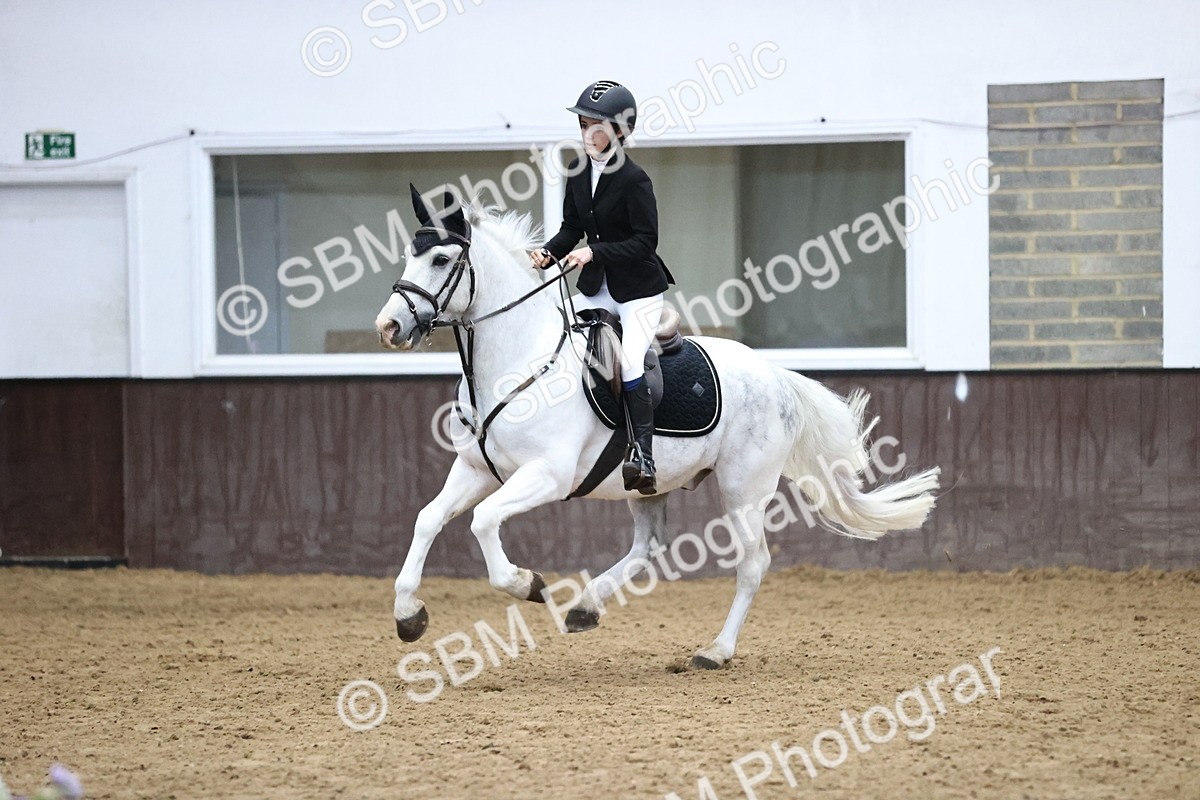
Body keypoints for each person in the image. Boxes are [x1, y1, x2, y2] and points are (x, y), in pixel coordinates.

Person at [530, 79, 674, 495]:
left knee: (629, 362)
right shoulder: (576, 173)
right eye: (584, 123)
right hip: (597, 288)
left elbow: (647, 241)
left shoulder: (634, 179)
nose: (588, 132)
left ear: (619, 131)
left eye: (597, 125)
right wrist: (548, 253)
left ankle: (643, 456)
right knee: (553, 341)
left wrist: (595, 254)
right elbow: (571, 229)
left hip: (638, 290)